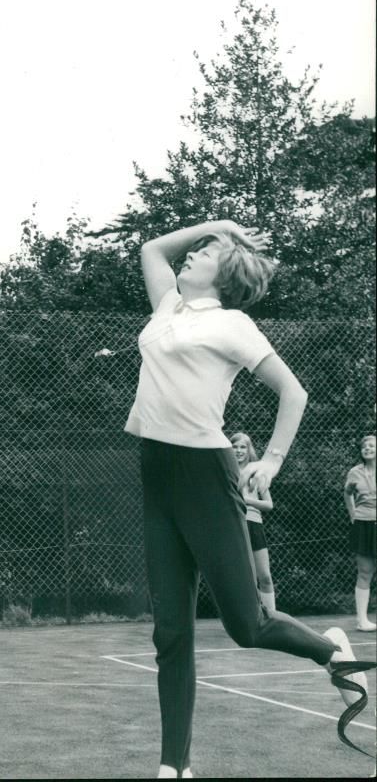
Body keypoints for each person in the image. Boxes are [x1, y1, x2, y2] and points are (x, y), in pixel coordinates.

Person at [124, 218, 368, 780]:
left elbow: (293, 391)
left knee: (247, 625)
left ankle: (331, 650)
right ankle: (174, 767)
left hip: (206, 473)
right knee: (171, 632)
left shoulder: (233, 324)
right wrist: (221, 225)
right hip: (156, 471)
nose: (191, 255)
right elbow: (152, 247)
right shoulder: (167, 309)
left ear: (226, 273)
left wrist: (273, 461)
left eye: (205, 253)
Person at [231, 431, 276, 614]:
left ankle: (272, 616)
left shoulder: (257, 473)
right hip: (233, 526)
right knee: (243, 578)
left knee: (264, 576)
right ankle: (248, 618)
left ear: (249, 450)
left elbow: (269, 505)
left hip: (254, 524)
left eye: (243, 447)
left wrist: (246, 501)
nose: (239, 451)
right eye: (235, 447)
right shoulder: (226, 471)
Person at [344, 434, 376, 632]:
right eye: (364, 446)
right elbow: (347, 494)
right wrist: (353, 515)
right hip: (363, 525)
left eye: (372, 445)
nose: (368, 448)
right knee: (365, 572)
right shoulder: (355, 472)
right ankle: (361, 620)